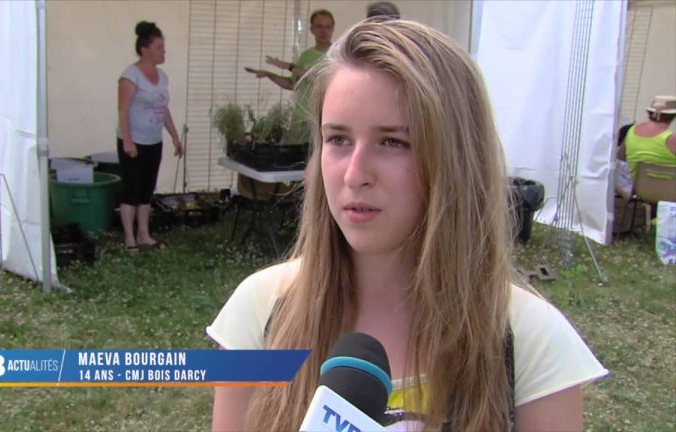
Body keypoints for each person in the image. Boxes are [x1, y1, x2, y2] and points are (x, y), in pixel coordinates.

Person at [208, 19, 607, 431]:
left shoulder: (531, 340)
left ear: (456, 159)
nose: (354, 174)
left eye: (393, 142)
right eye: (338, 139)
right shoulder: (260, 310)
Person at [117, 21, 183, 251]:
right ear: (145, 49)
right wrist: (127, 141)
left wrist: (174, 136)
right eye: (159, 47)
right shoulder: (130, 76)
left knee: (146, 190)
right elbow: (123, 110)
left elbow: (163, 108)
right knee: (131, 190)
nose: (164, 52)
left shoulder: (162, 77)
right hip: (134, 142)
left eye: (163, 47)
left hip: (154, 141)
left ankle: (144, 234)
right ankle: (129, 238)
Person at [245, 10, 334, 144]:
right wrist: (269, 74)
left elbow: (318, 79)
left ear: (333, 29)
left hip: (323, 121)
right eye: (319, 26)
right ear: (311, 30)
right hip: (301, 120)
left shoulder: (338, 56)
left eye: (328, 26)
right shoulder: (306, 56)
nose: (323, 31)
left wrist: (289, 66)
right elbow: (292, 85)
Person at [616, 95, 676, 180]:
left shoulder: (631, 131)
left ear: (649, 112)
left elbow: (620, 157)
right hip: (670, 191)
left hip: (639, 191)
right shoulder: (672, 139)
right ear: (673, 116)